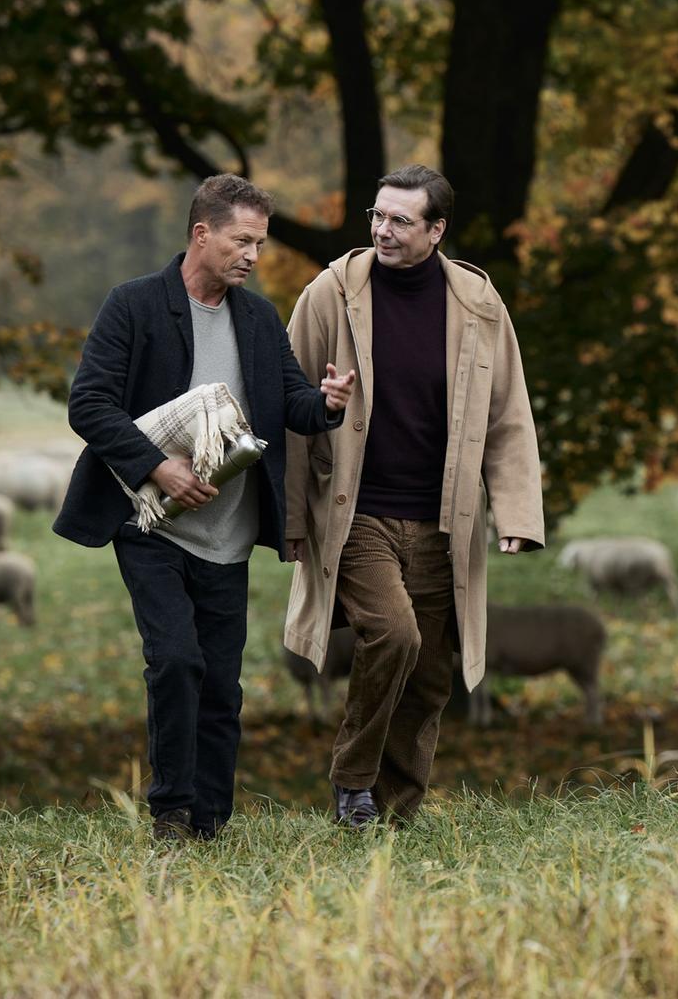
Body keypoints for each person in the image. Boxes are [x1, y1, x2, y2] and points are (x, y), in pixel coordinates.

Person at [55, 174, 356, 842]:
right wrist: (155, 464)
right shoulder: (134, 305)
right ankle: (169, 811)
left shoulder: (259, 317)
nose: (253, 255)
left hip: (229, 531)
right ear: (202, 234)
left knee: (222, 684)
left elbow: (290, 405)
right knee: (175, 661)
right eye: (241, 241)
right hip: (151, 525)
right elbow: (89, 404)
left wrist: (328, 403)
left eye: (260, 243)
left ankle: (210, 820)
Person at [281, 163, 544, 829]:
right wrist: (287, 518)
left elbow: (508, 413)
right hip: (354, 511)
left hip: (442, 517)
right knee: (392, 635)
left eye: (401, 220)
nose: (383, 231)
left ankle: (395, 814)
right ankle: (353, 781)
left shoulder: (479, 304)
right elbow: (285, 400)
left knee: (430, 672)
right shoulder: (329, 294)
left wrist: (515, 512)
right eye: (376, 216)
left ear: (437, 229)